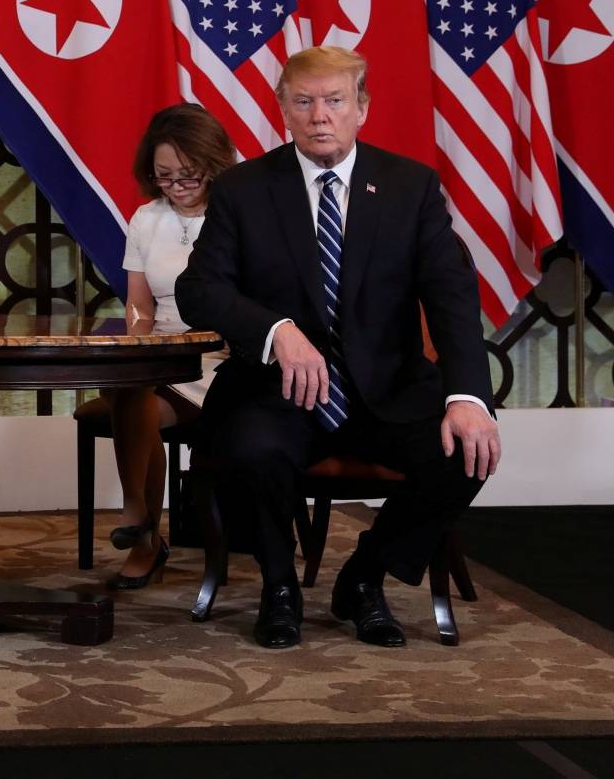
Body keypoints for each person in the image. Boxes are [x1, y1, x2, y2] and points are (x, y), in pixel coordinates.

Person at [175, 46, 500, 649]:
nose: (319, 115)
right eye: (303, 102)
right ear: (283, 110)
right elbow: (199, 289)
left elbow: (452, 298)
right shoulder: (245, 190)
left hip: (389, 391)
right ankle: (279, 588)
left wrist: (467, 397)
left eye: (334, 101)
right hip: (279, 395)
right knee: (250, 447)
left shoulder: (411, 188)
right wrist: (277, 331)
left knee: (465, 449)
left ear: (362, 109)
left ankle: (364, 577)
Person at [105, 104, 233, 589]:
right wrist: (136, 351)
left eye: (188, 175)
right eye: (164, 177)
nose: (176, 186)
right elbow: (139, 307)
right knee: (128, 383)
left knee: (133, 394)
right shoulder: (145, 219)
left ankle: (141, 526)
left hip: (221, 359)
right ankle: (140, 518)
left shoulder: (238, 210)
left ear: (212, 162)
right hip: (162, 354)